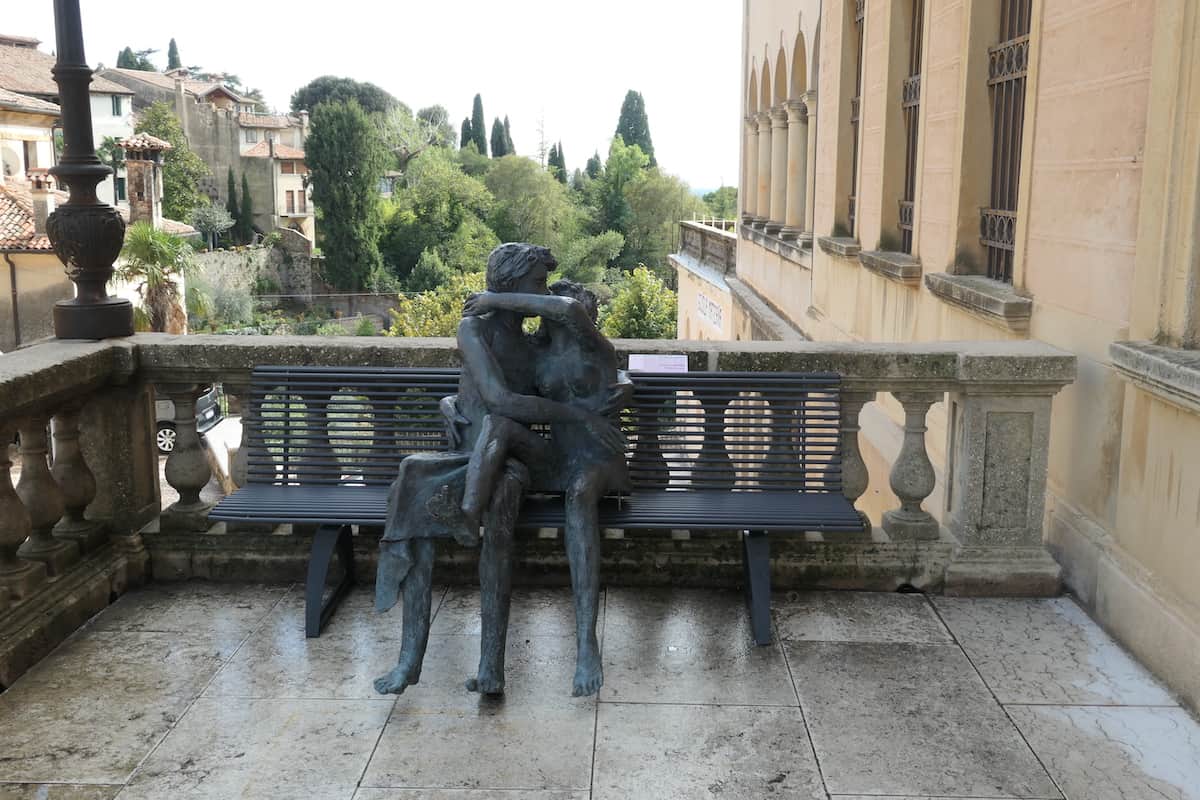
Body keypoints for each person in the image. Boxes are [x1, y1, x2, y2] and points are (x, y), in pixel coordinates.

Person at [374, 244, 625, 698]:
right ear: (510, 286)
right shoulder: (473, 329)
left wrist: (617, 387)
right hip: (467, 456)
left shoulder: (534, 347)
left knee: (505, 498)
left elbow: (560, 383)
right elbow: (491, 397)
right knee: (412, 483)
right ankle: (409, 660)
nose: (542, 294)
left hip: (511, 460)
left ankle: (492, 667)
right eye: (536, 285)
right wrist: (447, 402)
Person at [454, 279, 632, 696]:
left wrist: (492, 299)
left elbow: (570, 310)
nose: (572, 319)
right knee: (499, 426)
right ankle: (467, 514)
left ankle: (587, 645)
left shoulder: (597, 350)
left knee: (580, 494)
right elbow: (497, 397)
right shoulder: (536, 359)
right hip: (558, 457)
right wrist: (451, 406)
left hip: (599, 460)